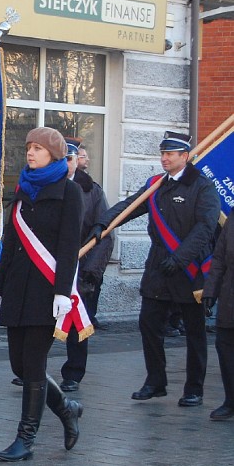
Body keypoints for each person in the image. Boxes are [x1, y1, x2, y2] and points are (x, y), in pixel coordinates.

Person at [87, 131, 220, 407]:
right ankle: (155, 382)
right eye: (162, 153)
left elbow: (205, 228)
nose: (165, 158)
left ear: (185, 156)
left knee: (194, 332)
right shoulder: (155, 185)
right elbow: (129, 207)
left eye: (170, 154)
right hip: (159, 267)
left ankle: (194, 388)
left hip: (190, 268)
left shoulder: (203, 187)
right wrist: (103, 223)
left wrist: (181, 258)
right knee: (149, 324)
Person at [0, 127, 84, 462]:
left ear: (54, 155)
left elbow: (70, 246)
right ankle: (67, 408)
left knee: (33, 363)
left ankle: (25, 438)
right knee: (20, 364)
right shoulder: (22, 188)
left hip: (46, 290)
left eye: (38, 149)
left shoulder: (69, 192)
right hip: (17, 287)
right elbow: (11, 244)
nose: (30, 153)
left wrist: (62, 293)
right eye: (29, 147)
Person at [59, 140, 113, 392]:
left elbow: (103, 233)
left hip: (82, 266)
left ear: (76, 161)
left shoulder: (92, 192)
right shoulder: (46, 185)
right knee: (41, 320)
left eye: (70, 158)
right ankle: (31, 370)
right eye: (62, 158)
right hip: (51, 264)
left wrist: (91, 271)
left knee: (78, 323)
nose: (66, 163)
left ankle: (73, 373)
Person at [203, 216, 234, 420]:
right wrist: (210, 292)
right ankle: (230, 401)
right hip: (229, 297)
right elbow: (220, 258)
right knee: (225, 346)